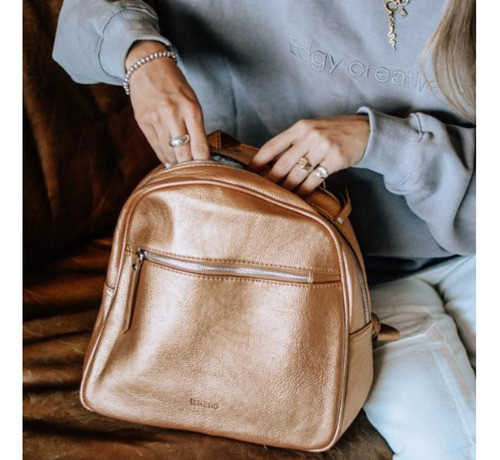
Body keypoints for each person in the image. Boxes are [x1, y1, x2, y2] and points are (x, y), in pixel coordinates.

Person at [52, 1, 476, 458]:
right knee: (450, 447)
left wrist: (383, 142)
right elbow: (80, 22)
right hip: (319, 286)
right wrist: (140, 55)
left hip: (470, 250)